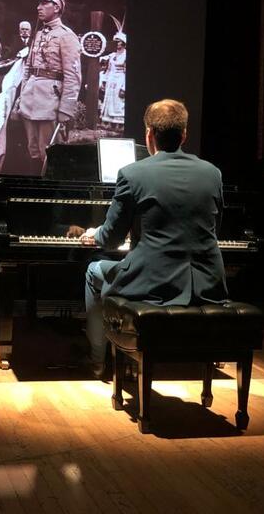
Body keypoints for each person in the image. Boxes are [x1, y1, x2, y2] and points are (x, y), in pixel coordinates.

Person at [80, 99, 228, 376]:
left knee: (92, 270)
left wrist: (94, 233)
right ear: (184, 135)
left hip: (153, 281)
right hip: (206, 282)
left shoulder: (132, 174)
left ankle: (98, 359)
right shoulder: (213, 173)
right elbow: (214, 229)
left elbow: (111, 239)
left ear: (149, 134)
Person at [16, 0, 82, 175]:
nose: (39, 7)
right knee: (32, 149)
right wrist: (22, 96)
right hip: (30, 98)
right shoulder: (38, 33)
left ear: (57, 8)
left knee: (50, 151)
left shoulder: (66, 36)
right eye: (39, 2)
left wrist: (65, 109)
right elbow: (28, 68)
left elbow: (73, 75)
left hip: (50, 101)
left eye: (45, 3)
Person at [100, 32, 126, 128]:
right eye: (115, 41)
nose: (116, 43)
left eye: (118, 41)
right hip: (111, 79)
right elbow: (108, 69)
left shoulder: (126, 55)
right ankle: (108, 122)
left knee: (118, 100)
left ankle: (119, 124)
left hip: (120, 79)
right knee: (109, 99)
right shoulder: (112, 55)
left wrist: (124, 87)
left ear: (123, 42)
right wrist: (104, 81)